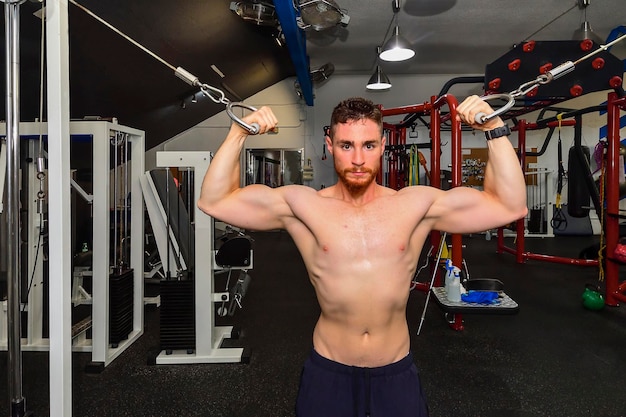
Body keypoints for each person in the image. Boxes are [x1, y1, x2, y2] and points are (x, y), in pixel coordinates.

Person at [198, 96, 527, 417]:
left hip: (395, 371)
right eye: (346, 145)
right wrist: (238, 132)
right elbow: (216, 201)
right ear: (329, 145)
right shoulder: (302, 206)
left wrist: (494, 127)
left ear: (383, 145)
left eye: (368, 145)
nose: (357, 159)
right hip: (329, 371)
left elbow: (508, 206)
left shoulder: (414, 205)